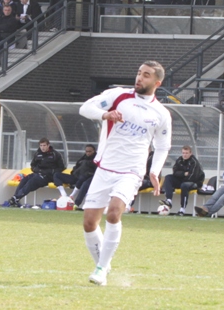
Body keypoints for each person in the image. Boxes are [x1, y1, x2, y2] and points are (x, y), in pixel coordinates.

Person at [78, 61, 171, 286]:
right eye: (139, 73)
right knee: (89, 223)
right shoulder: (117, 95)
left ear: (157, 82)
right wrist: (105, 115)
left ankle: (100, 269)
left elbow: (162, 146)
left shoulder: (161, 113)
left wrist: (154, 171)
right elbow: (84, 108)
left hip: (131, 171)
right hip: (105, 167)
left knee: (113, 213)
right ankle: (104, 263)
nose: (139, 78)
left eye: (146, 75)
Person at [8, 138, 66, 207]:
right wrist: (37, 170)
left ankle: (16, 198)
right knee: (24, 180)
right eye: (41, 145)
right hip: (37, 173)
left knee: (31, 182)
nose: (42, 147)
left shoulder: (55, 154)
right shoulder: (38, 154)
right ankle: (16, 198)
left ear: (48, 145)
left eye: (44, 145)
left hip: (47, 177)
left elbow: (61, 167)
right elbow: (33, 165)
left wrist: (51, 172)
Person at [160, 145, 205, 216]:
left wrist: (181, 175)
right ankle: (169, 200)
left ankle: (182, 210)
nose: (185, 155)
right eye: (183, 153)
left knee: (184, 185)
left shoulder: (194, 162)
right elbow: (175, 172)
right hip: (182, 180)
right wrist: (184, 174)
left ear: (190, 153)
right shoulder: (180, 160)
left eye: (186, 153)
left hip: (195, 183)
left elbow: (192, 177)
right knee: (168, 177)